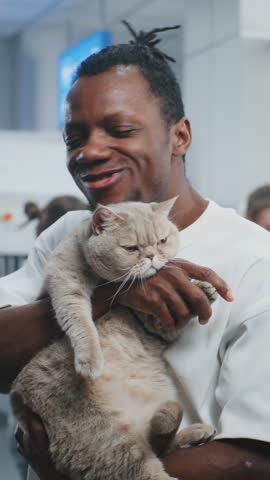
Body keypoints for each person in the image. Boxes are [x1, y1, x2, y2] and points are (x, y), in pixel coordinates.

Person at [1, 22, 270, 480]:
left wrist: (85, 470)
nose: (89, 151)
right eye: (74, 137)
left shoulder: (255, 261)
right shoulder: (72, 231)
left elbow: (251, 459)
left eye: (119, 129)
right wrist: (110, 291)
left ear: (180, 137)